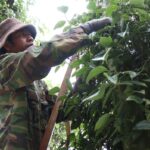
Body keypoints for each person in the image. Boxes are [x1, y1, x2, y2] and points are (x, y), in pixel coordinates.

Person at [0, 17, 112, 149]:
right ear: (7, 45)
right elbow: (41, 55)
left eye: (30, 36)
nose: (30, 39)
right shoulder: (4, 65)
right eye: (23, 36)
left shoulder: (38, 85)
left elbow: (59, 112)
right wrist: (84, 29)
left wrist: (86, 77)